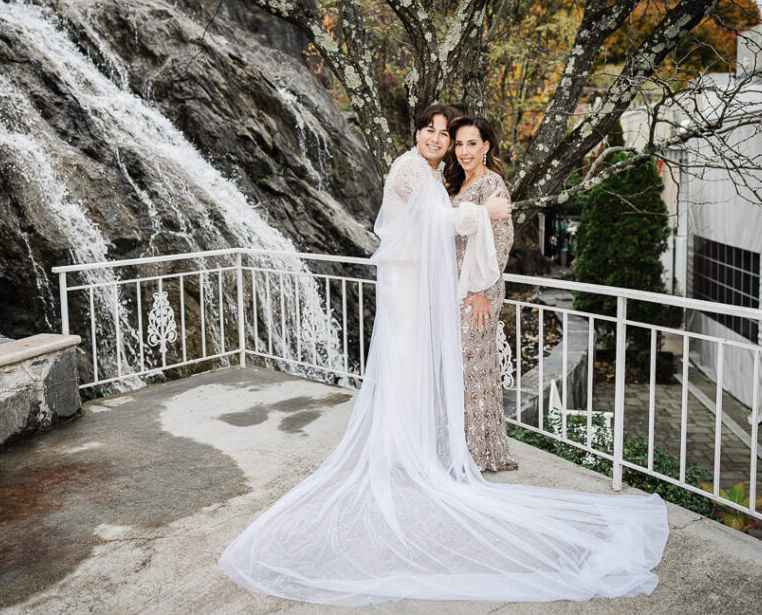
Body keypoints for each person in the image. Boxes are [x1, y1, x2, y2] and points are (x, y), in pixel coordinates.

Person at [218, 106, 669, 606]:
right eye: (438, 134)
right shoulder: (413, 168)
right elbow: (436, 221)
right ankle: (404, 450)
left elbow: (479, 237)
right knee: (408, 365)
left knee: (418, 368)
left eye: (451, 136)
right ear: (418, 135)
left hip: (441, 287)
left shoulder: (453, 176)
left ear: (484, 146)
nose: (445, 142)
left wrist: (484, 270)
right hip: (410, 283)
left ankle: (417, 447)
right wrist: (485, 214)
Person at [445, 116, 519, 471]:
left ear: (486, 146)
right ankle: (467, 449)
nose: (464, 151)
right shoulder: (456, 186)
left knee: (474, 370)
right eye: (458, 144)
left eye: (471, 143)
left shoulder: (492, 185)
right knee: (463, 370)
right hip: (454, 291)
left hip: (477, 292)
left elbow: (502, 243)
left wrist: (482, 293)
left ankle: (478, 454)